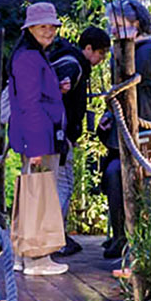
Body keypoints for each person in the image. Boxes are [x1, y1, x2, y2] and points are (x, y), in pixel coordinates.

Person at [96, 0, 151, 265]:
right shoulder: (126, 49)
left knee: (149, 183)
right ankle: (121, 236)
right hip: (126, 130)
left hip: (149, 129)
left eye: (119, 25)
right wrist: (110, 114)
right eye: (112, 25)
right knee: (113, 174)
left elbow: (140, 91)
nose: (114, 31)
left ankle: (145, 241)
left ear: (137, 24)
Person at [7, 3, 70, 277]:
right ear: (30, 28)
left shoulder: (33, 55)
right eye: (42, 26)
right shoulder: (29, 58)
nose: (49, 31)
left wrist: (56, 88)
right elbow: (29, 104)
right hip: (39, 138)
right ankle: (37, 257)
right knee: (41, 195)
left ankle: (23, 255)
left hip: (40, 135)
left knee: (33, 193)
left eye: (52, 26)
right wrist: (35, 147)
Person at [47, 21, 97, 257]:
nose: (102, 59)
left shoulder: (64, 59)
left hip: (54, 133)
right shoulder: (73, 65)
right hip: (59, 134)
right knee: (64, 185)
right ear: (89, 49)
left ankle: (54, 234)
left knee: (57, 184)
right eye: (101, 53)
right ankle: (56, 237)